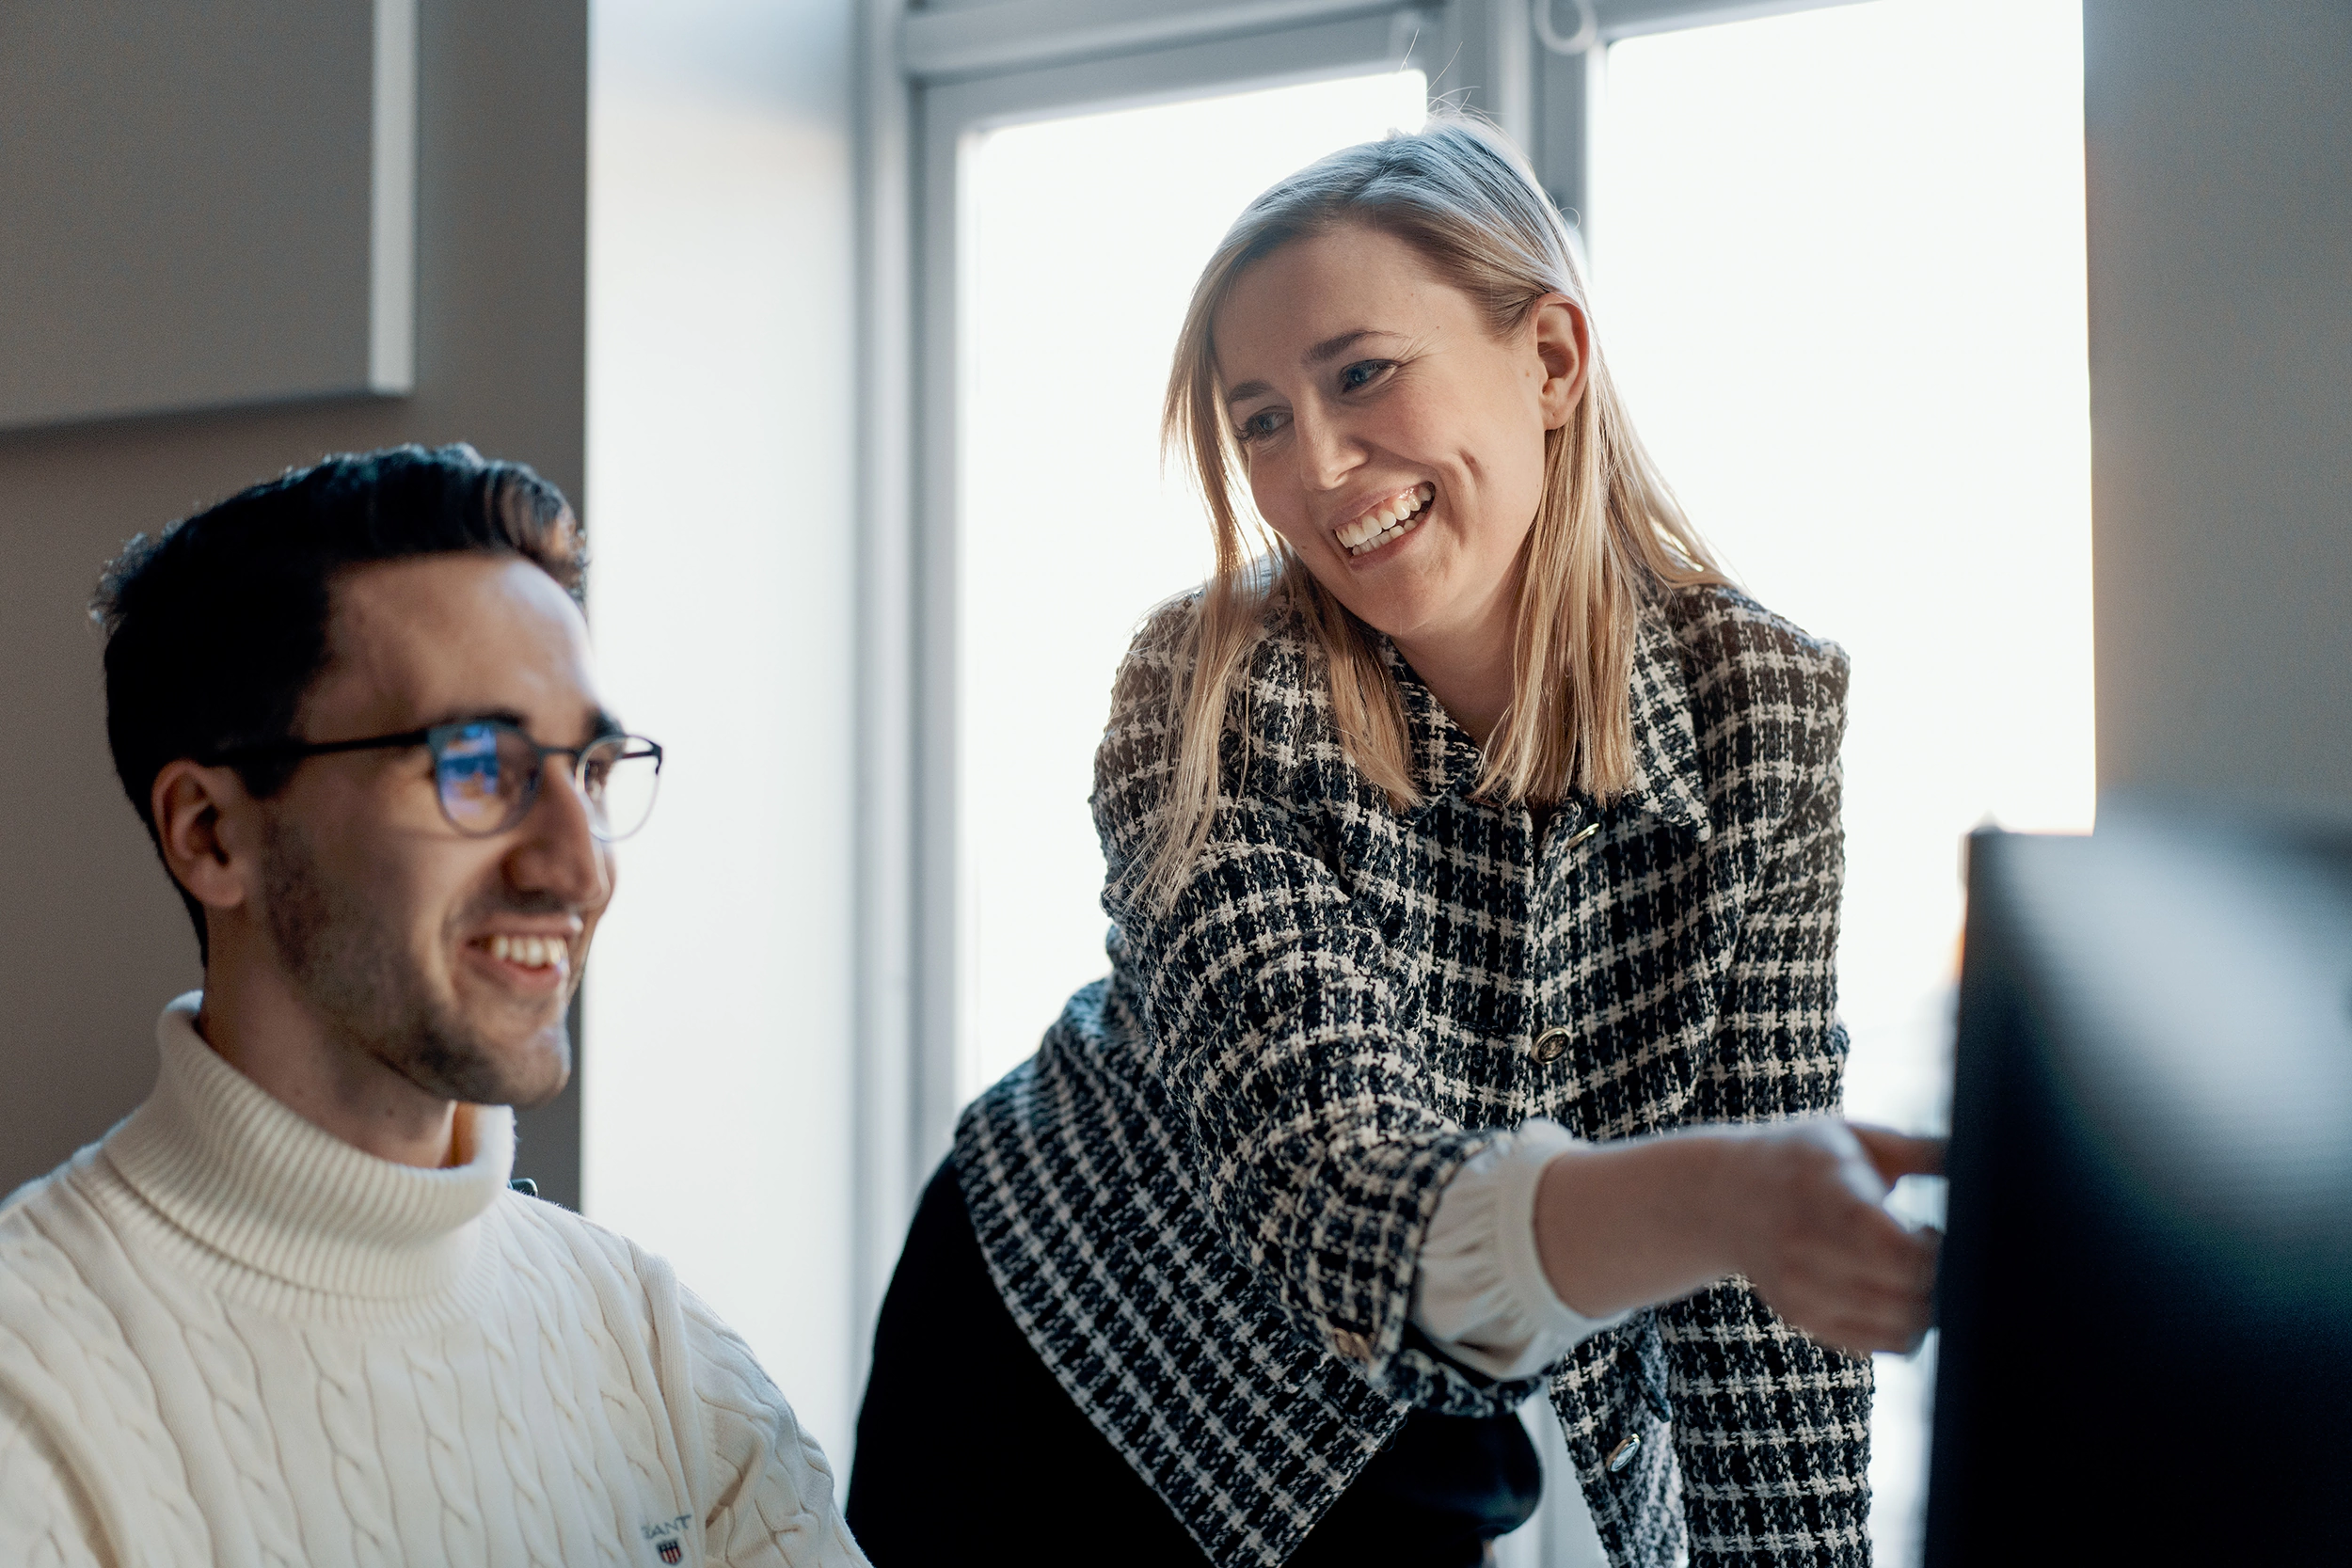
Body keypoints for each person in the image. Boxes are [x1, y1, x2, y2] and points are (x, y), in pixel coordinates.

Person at [848, 118, 1939, 1567]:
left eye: (1361, 373)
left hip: (1436, 1404)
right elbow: (1333, 1189)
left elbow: (1762, 1318)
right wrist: (1727, 1194)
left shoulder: (1766, 709)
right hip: (1067, 1367)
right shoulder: (1206, 682)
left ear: (1550, 360)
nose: (1320, 462)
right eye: (1263, 419)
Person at [0, 445, 867, 1568]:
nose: (580, 866)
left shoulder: (656, 1350)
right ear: (213, 833)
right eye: (476, 764)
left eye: (591, 771)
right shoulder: (33, 1401)